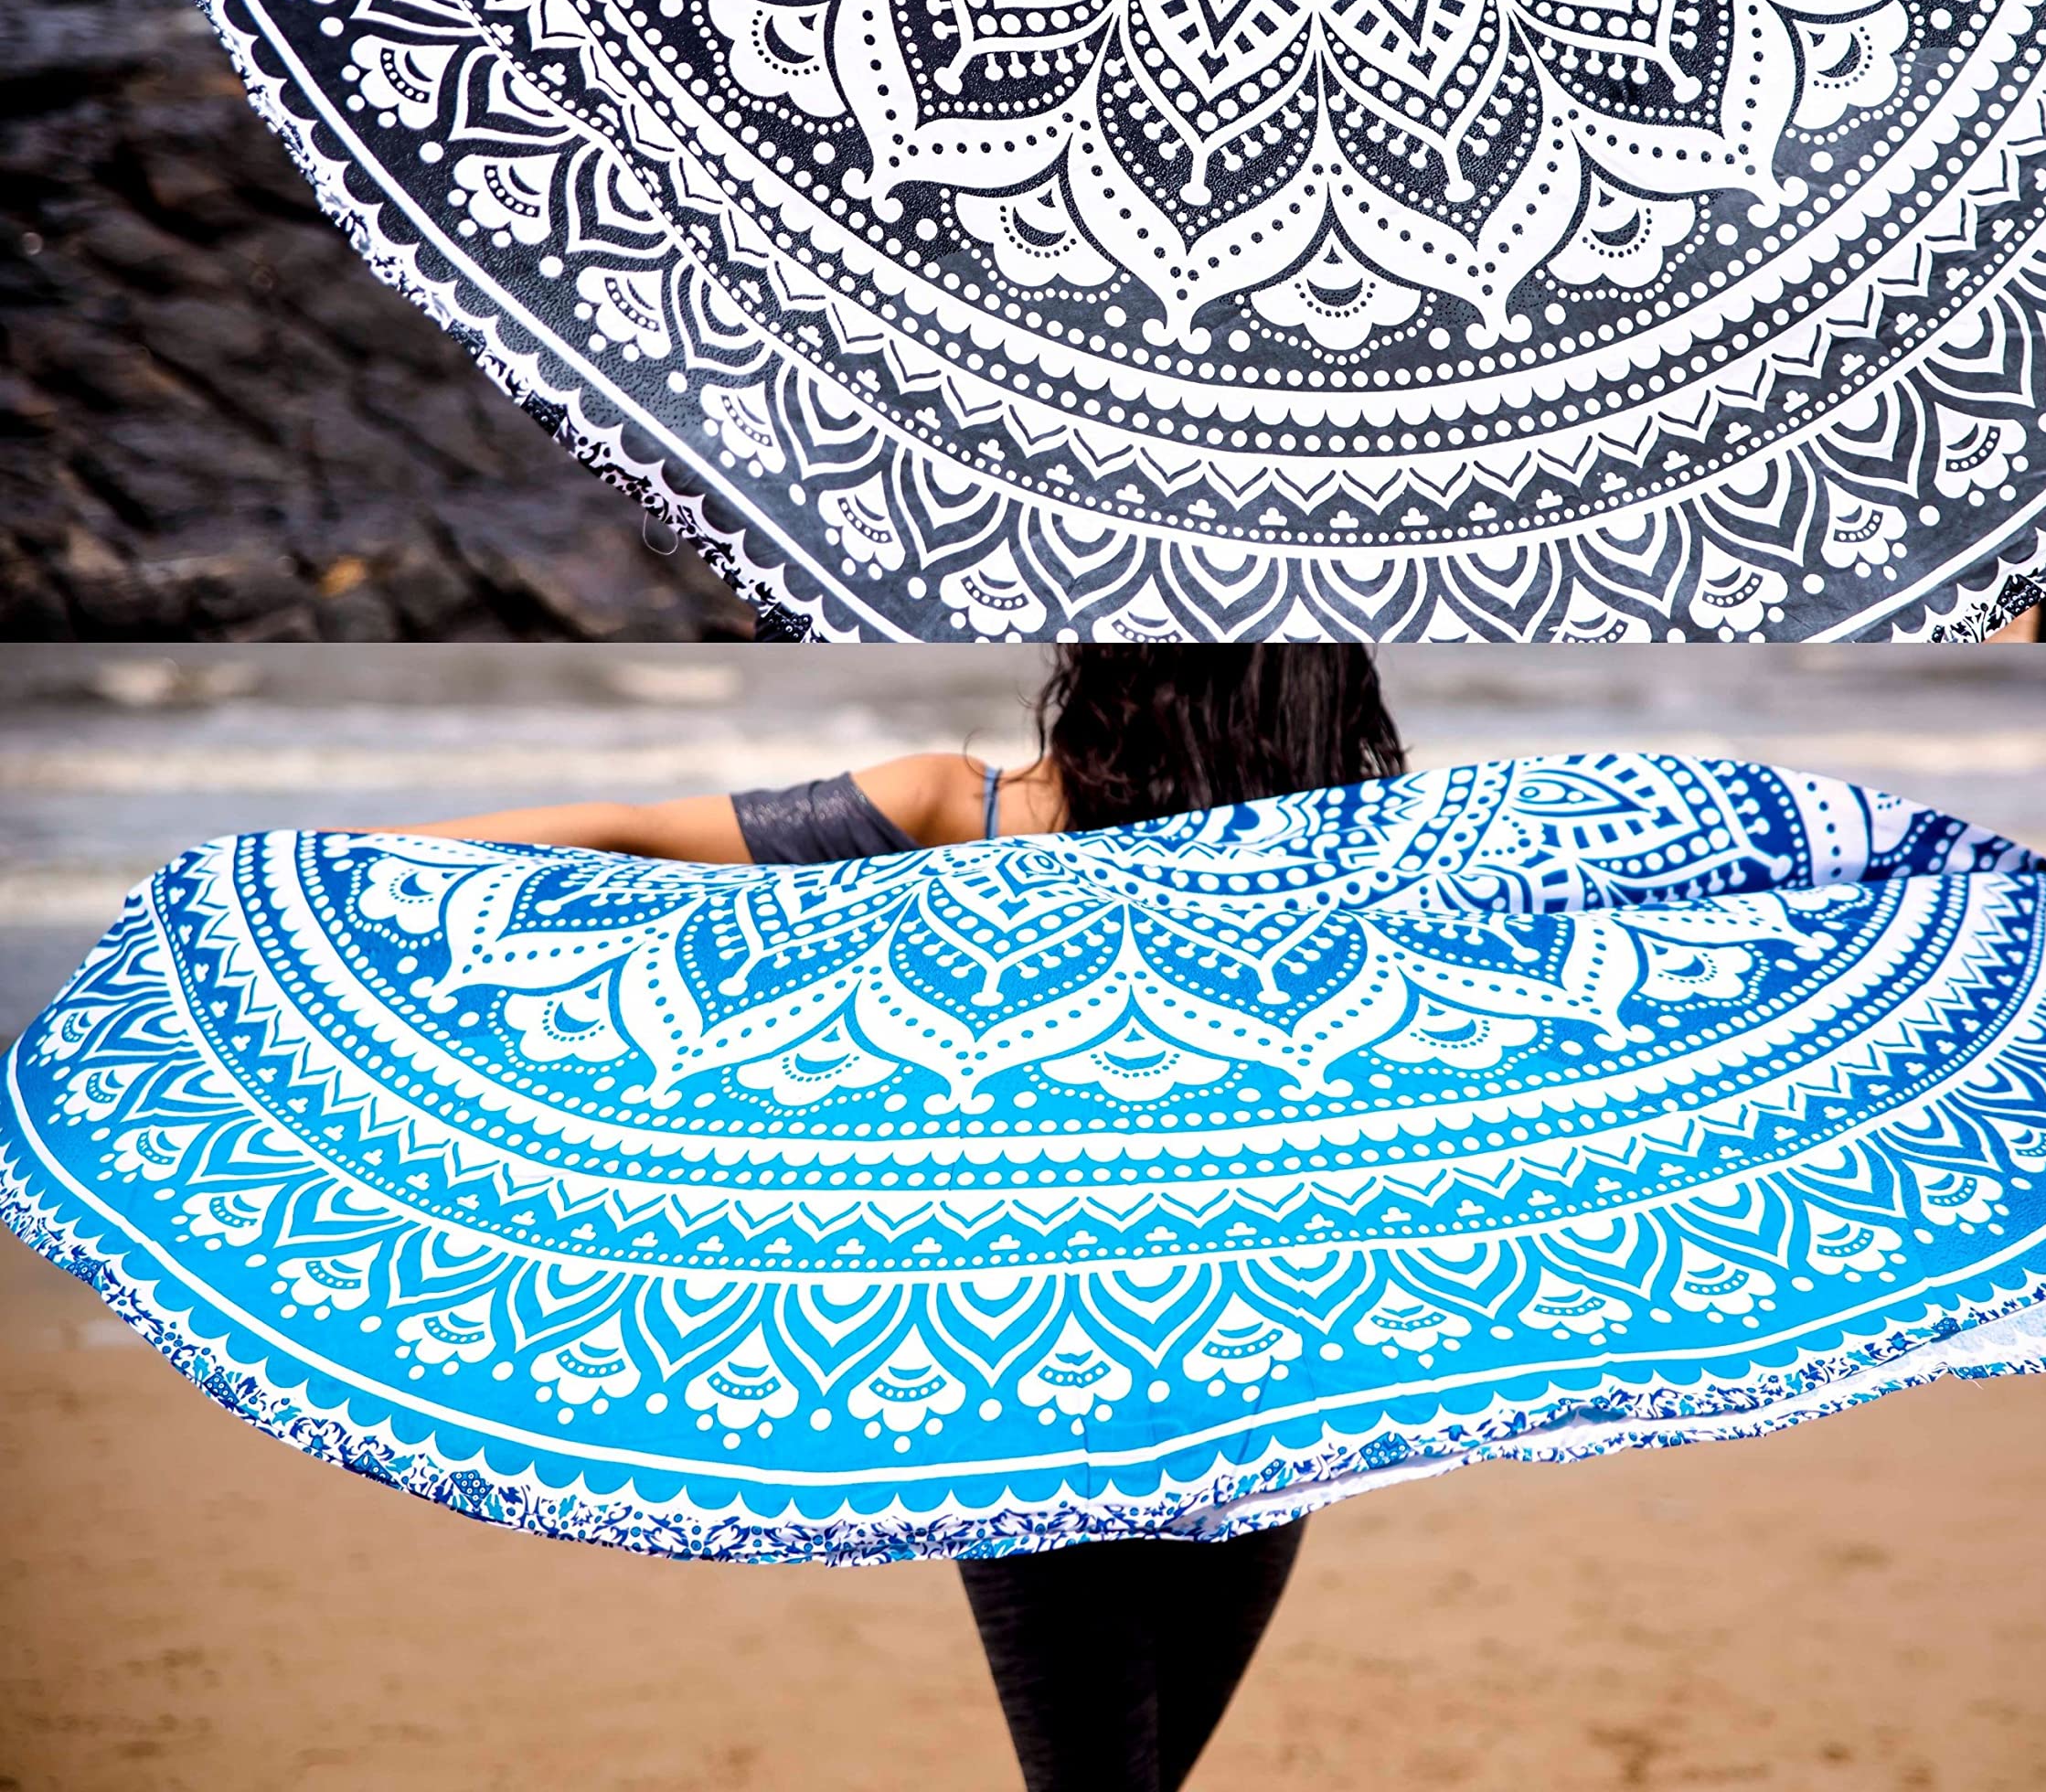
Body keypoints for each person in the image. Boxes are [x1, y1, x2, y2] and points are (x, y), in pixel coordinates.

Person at [395, 646, 1411, 1792]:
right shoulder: (1353, 865)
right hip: (1267, 1374)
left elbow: (634, 833)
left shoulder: (963, 808)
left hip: (1029, 1378)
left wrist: (343, 872)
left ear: (1124, 671)